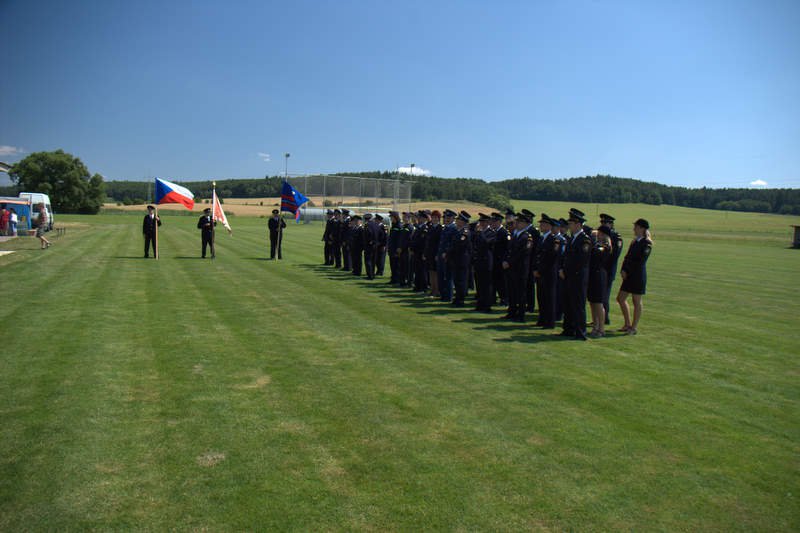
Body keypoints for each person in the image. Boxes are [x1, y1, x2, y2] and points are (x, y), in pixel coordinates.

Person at [617, 218, 653, 335]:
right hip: (628, 275)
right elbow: (627, 257)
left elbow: (640, 261)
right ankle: (627, 323)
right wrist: (623, 269)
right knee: (620, 298)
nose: (634, 229)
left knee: (636, 300)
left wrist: (628, 271)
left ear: (642, 228)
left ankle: (634, 327)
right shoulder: (635, 241)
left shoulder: (646, 243)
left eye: (636, 227)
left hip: (637, 276)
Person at [560, 210, 592, 340]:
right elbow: (566, 257)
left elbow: (581, 260)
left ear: (578, 224)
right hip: (568, 276)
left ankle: (580, 332)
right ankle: (568, 329)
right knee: (568, 303)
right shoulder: (572, 238)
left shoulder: (585, 240)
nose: (569, 226)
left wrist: (567, 271)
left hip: (578, 276)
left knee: (578, 305)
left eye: (571, 223)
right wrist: (563, 269)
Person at [502, 211, 534, 322]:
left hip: (520, 268)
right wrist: (506, 260)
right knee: (512, 291)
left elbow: (521, 254)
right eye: (517, 221)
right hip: (512, 268)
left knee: (520, 293)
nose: (517, 224)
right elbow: (509, 250)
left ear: (525, 224)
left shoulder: (527, 237)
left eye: (519, 222)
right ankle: (511, 312)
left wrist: (509, 262)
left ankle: (520, 315)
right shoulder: (515, 234)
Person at [533, 214, 558, 328]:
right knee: (541, 296)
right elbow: (537, 255)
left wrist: (541, 270)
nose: (541, 226)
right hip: (540, 272)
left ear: (548, 226)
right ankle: (542, 319)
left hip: (548, 273)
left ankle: (549, 321)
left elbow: (551, 258)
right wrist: (536, 269)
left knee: (549, 297)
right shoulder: (542, 238)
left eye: (543, 224)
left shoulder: (554, 239)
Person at [588, 226, 613, 337]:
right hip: (593, 275)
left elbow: (596, 253)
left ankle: (601, 328)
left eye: (600, 233)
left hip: (599, 275)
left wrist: (593, 243)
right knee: (592, 302)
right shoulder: (597, 244)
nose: (597, 235)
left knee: (598, 303)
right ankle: (595, 325)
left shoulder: (605, 246)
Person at [600, 213, 623, 325]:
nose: (603, 224)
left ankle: (605, 318)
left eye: (605, 222)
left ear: (611, 224)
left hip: (608, 270)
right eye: (602, 222)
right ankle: (601, 317)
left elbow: (614, 256)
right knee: (600, 295)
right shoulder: (603, 236)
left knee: (605, 295)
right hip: (601, 270)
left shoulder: (616, 237)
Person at [446, 211, 472, 306]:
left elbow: (459, 246)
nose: (457, 221)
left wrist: (449, 252)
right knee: (457, 280)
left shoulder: (464, 232)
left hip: (461, 259)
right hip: (456, 259)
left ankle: (460, 300)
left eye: (458, 220)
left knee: (461, 280)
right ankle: (457, 299)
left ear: (463, 221)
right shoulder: (458, 231)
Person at [472, 213, 496, 312]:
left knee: (486, 285)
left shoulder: (491, 232)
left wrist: (480, 233)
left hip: (486, 262)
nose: (481, 223)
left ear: (487, 222)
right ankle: (480, 304)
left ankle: (487, 305)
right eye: (480, 221)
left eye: (483, 222)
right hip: (478, 261)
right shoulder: (478, 232)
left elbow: (486, 243)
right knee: (479, 284)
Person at [437, 209, 458, 301]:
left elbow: (451, 243)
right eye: (446, 217)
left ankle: (448, 296)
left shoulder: (454, 228)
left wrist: (446, 253)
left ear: (453, 218)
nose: (447, 219)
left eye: (449, 217)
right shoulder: (445, 228)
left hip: (447, 256)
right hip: (441, 255)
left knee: (448, 277)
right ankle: (443, 295)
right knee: (441, 276)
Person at [490, 213, 509, 306]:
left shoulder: (503, 232)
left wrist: (505, 260)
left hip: (500, 260)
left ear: (499, 222)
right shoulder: (495, 231)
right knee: (494, 281)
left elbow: (507, 248)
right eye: (492, 221)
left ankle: (504, 299)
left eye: (495, 221)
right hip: (494, 260)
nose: (493, 223)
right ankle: (493, 298)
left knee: (502, 281)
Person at [424, 210, 443, 298]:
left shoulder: (440, 228)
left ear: (439, 219)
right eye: (433, 217)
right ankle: (432, 290)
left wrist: (437, 255)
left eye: (436, 217)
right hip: (429, 254)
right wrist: (425, 253)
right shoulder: (430, 227)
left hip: (436, 254)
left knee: (436, 273)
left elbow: (440, 243)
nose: (434, 219)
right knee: (431, 272)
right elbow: (427, 242)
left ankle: (437, 291)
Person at [362, 213, 380, 279]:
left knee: (368, 260)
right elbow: (380, 234)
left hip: (368, 245)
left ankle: (370, 275)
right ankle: (373, 274)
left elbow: (368, 234)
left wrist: (369, 241)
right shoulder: (376, 224)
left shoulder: (367, 225)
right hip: (375, 245)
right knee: (373, 260)